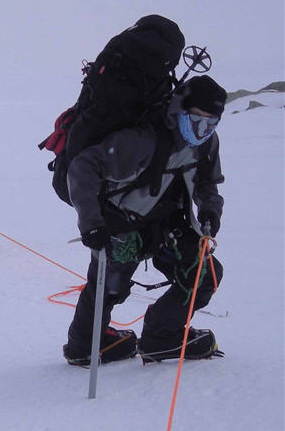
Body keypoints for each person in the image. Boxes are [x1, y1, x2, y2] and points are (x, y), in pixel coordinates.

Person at [62, 75, 227, 366]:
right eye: (197, 120)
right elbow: (82, 168)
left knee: (203, 273)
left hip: (169, 225)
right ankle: (85, 346)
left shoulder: (206, 144)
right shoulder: (143, 140)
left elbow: (206, 185)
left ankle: (162, 338)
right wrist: (92, 224)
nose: (202, 131)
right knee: (108, 288)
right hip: (121, 223)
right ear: (180, 109)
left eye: (211, 124)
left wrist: (210, 212)